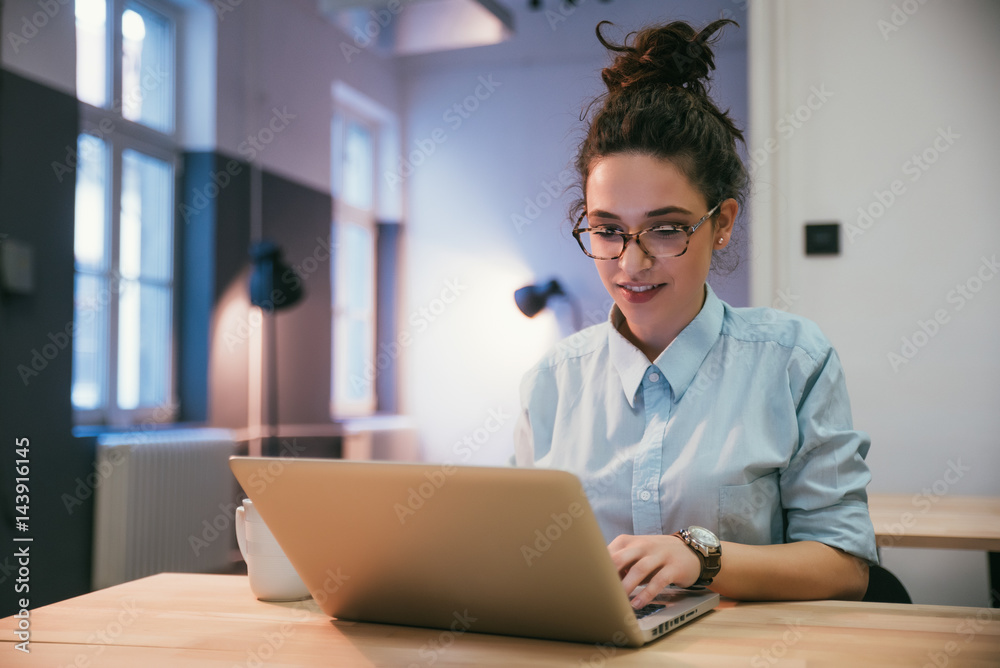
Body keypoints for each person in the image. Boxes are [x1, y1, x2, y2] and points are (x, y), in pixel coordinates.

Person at [513, 19, 877, 607]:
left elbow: (844, 566)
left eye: (664, 229)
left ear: (723, 223)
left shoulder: (791, 361)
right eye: (607, 230)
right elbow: (521, 552)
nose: (630, 263)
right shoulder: (553, 382)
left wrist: (704, 556)